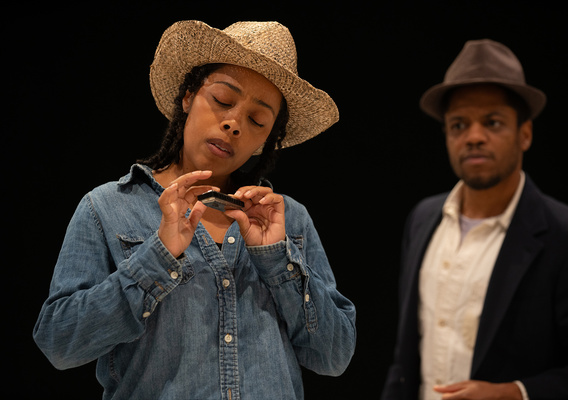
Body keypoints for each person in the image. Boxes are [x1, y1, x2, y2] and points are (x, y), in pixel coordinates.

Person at [33, 20, 356, 400]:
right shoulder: (108, 207)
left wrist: (275, 259)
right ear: (188, 97)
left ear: (267, 140)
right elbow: (59, 344)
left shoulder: (288, 220)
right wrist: (158, 256)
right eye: (222, 100)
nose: (233, 123)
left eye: (257, 120)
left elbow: (334, 357)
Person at [381, 39, 568, 400]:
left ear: (525, 133)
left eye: (493, 122)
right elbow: (405, 360)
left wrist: (515, 393)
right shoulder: (423, 219)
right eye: (459, 125)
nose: (474, 137)